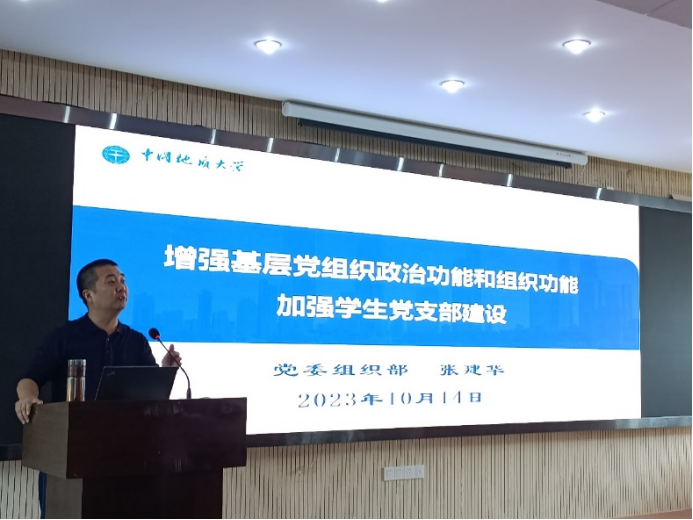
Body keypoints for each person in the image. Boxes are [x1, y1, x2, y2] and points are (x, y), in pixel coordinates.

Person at [15, 258, 182, 423]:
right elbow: (30, 379)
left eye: (123, 281)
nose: (121, 287)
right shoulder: (64, 336)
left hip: (126, 431)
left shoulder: (137, 341)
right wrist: (27, 398)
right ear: (89, 295)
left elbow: (151, 395)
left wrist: (166, 371)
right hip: (74, 429)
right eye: (111, 282)